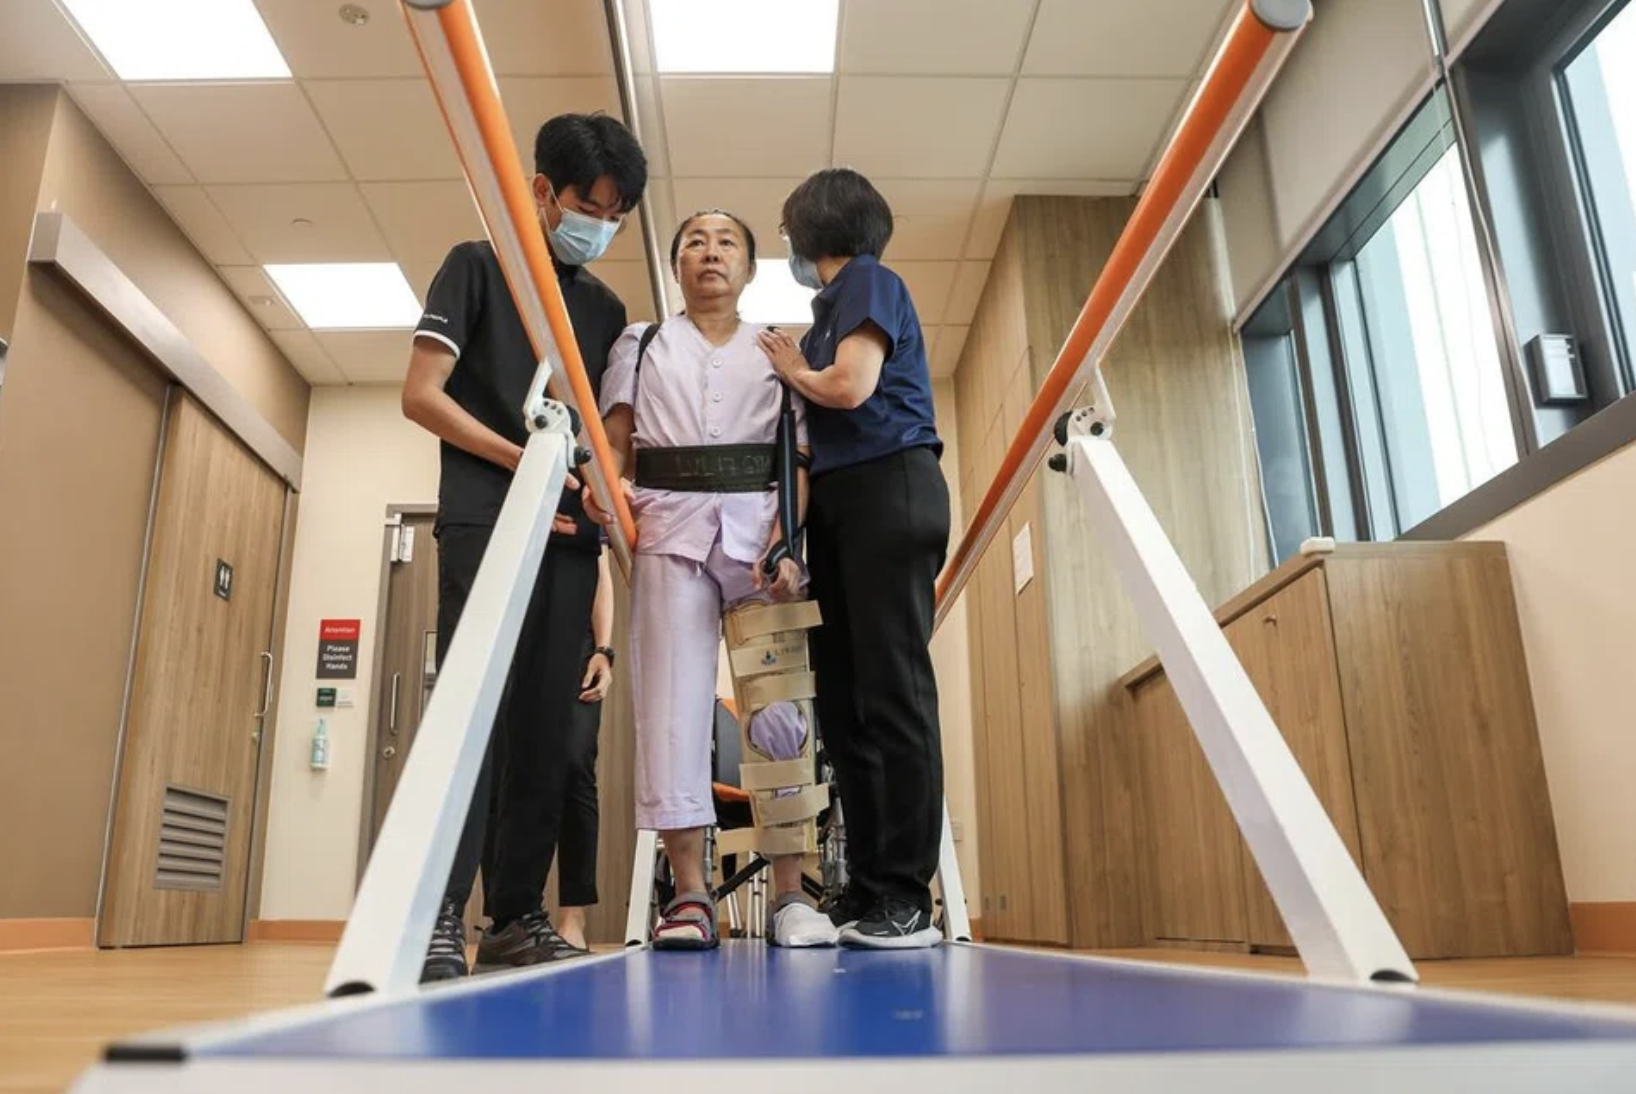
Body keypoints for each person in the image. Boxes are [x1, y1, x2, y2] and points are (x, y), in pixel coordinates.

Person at [401, 111, 645, 981]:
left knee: (549, 733)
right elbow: (421, 395)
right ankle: (434, 914)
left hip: (569, 536)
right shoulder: (476, 267)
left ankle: (513, 917)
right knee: (473, 718)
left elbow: (601, 439)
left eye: (618, 214)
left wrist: (587, 482)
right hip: (487, 516)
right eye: (590, 205)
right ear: (543, 192)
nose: (602, 225)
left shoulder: (607, 309)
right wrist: (526, 460)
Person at [587, 209, 838, 949]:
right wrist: (606, 493)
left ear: (749, 268)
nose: (710, 252)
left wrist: (791, 543)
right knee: (672, 712)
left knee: (781, 714)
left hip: (762, 543)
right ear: (676, 267)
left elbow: (797, 458)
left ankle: (792, 895)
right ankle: (691, 896)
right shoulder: (643, 342)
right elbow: (617, 439)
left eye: (727, 241)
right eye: (695, 240)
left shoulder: (776, 350)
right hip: (669, 534)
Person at [756, 168, 950, 949]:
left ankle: (906, 894)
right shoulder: (828, 308)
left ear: (812, 229)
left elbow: (850, 387)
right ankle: (867, 889)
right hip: (843, 501)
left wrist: (792, 368)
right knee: (846, 705)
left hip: (889, 486)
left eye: (786, 232)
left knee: (893, 693)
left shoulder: (870, 279)